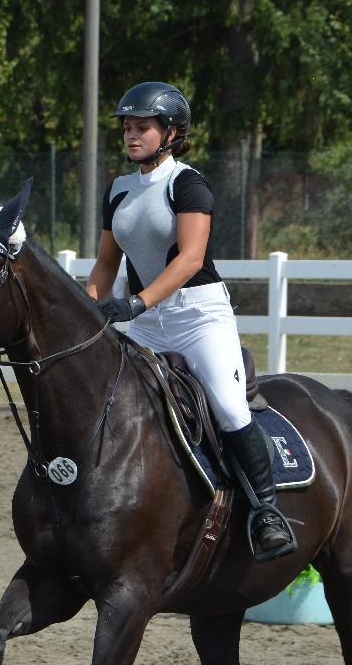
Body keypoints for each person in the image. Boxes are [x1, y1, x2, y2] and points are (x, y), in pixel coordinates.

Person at [86, 81, 296, 562]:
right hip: (146, 321)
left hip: (197, 317)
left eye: (142, 127)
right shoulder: (118, 190)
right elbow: (105, 263)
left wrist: (135, 304)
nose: (131, 135)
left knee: (228, 407)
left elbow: (189, 259)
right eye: (127, 127)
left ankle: (267, 512)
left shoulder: (187, 184)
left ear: (171, 132)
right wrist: (87, 311)